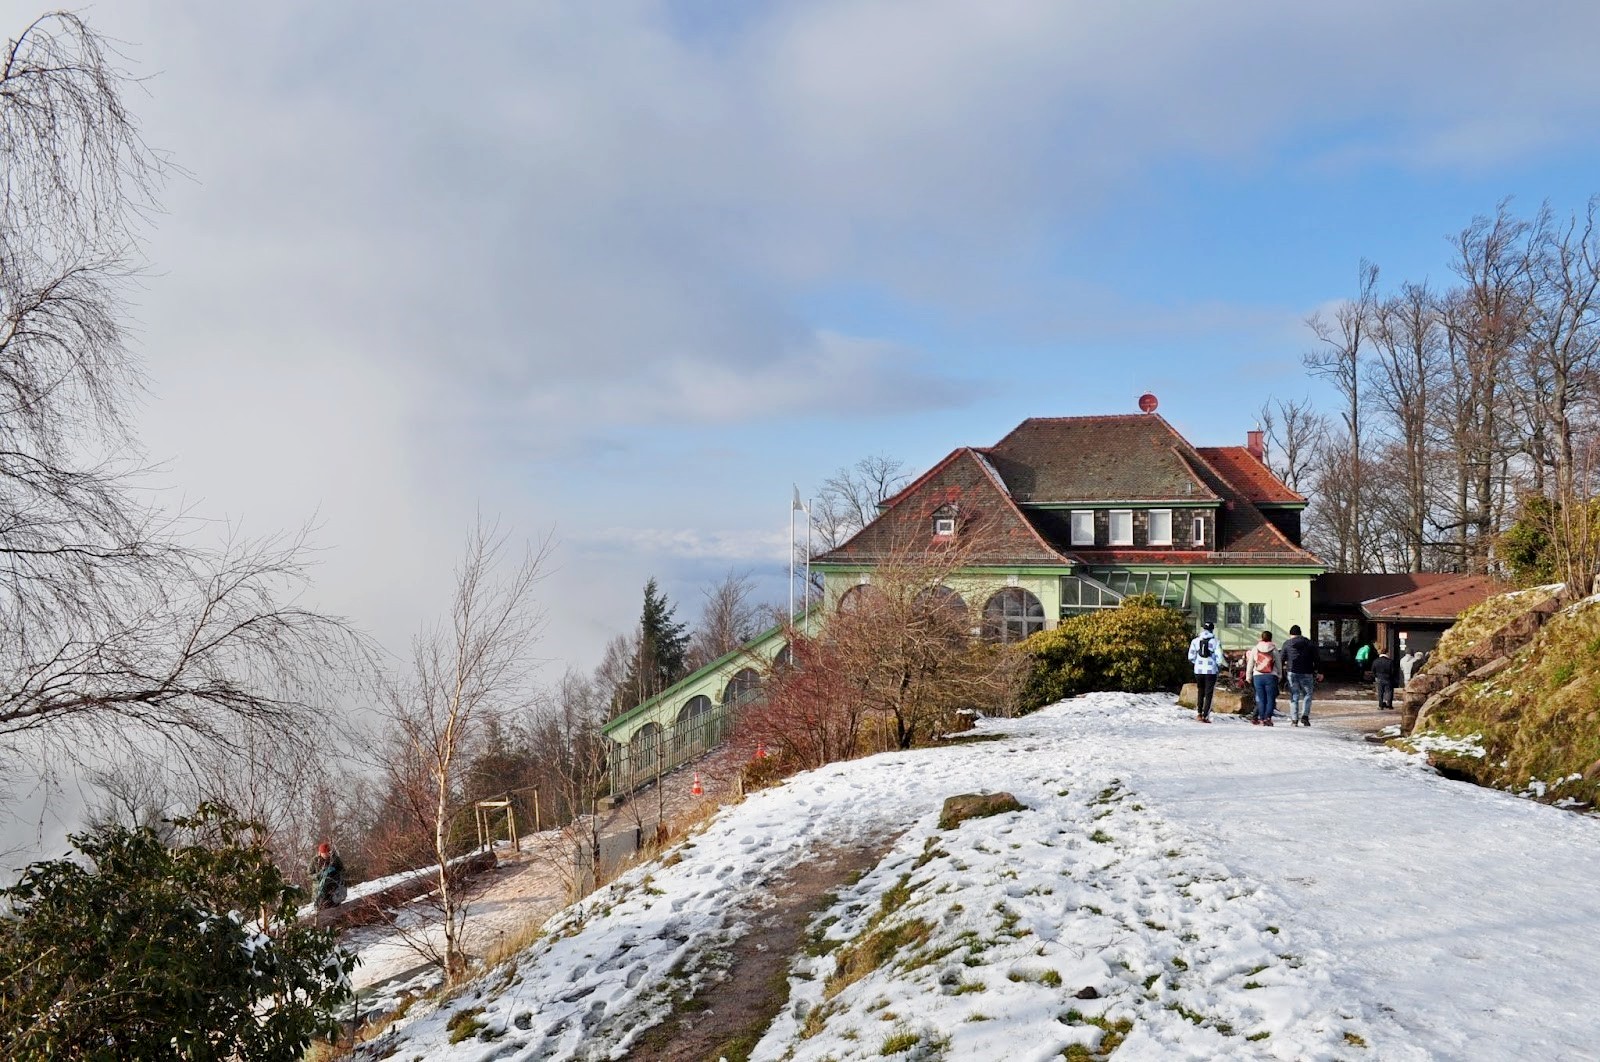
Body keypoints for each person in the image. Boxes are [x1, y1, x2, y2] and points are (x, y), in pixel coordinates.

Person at [1187, 621, 1226, 723]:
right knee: (1209, 693)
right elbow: (1220, 658)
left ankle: (1199, 713)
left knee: (1200, 691)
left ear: (1203, 629)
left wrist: (1197, 663)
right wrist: (1217, 665)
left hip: (1198, 670)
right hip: (1211, 671)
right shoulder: (1216, 641)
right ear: (1212, 630)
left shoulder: (1195, 641)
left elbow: (1190, 656)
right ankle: (1205, 716)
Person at [1281, 623, 1317, 727]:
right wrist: (1320, 671)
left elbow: (1281, 658)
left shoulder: (1287, 644)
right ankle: (1305, 716)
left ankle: (1294, 719)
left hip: (1292, 672)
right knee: (1307, 694)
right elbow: (1316, 658)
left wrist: (1280, 672)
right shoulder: (1309, 643)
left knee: (1294, 695)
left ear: (1291, 634)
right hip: (1307, 672)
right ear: (1300, 634)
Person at [1244, 629, 1281, 726]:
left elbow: (1250, 663)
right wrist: (1280, 675)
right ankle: (1267, 718)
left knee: (1261, 698)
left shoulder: (1255, 648)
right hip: (1271, 676)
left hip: (1258, 676)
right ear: (1271, 638)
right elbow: (1278, 663)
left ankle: (1261, 717)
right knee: (1270, 698)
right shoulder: (1274, 649)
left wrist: (1248, 676)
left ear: (1261, 637)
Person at [310, 841, 346, 910]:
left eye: (328, 853)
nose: (326, 855)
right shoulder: (314, 861)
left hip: (333, 886)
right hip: (320, 888)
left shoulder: (335, 859)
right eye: (324, 853)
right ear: (320, 853)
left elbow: (342, 870)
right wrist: (318, 875)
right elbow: (309, 874)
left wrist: (336, 873)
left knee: (336, 904)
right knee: (322, 906)